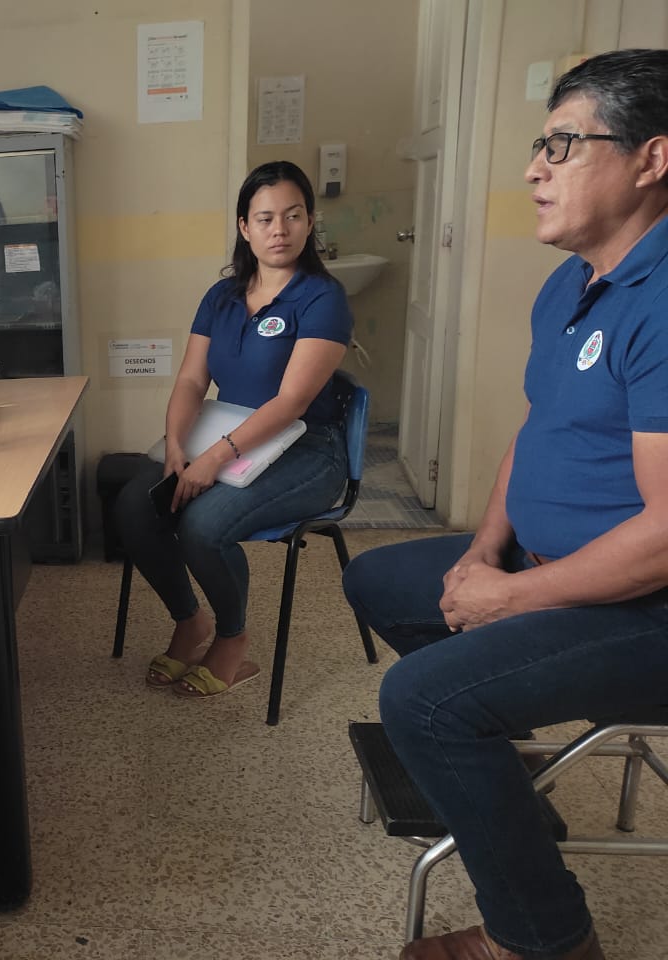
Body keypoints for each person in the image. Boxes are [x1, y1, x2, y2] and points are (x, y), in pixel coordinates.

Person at [342, 48, 668, 960]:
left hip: (648, 609)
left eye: (563, 145)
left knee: (425, 701)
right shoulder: (573, 282)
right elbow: (539, 428)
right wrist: (483, 553)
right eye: (539, 145)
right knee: (379, 581)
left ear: (652, 157)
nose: (534, 169)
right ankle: (500, 758)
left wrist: (515, 597)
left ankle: (544, 940)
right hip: (557, 570)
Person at [113, 160, 352, 698]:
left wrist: (214, 458)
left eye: (293, 216)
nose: (279, 229)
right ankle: (188, 619)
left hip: (307, 450)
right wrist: (177, 446)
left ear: (310, 221)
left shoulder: (323, 298)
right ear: (245, 226)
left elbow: (291, 402)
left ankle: (231, 637)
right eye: (265, 218)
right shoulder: (221, 296)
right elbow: (191, 380)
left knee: (204, 525)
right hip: (226, 436)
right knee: (135, 505)